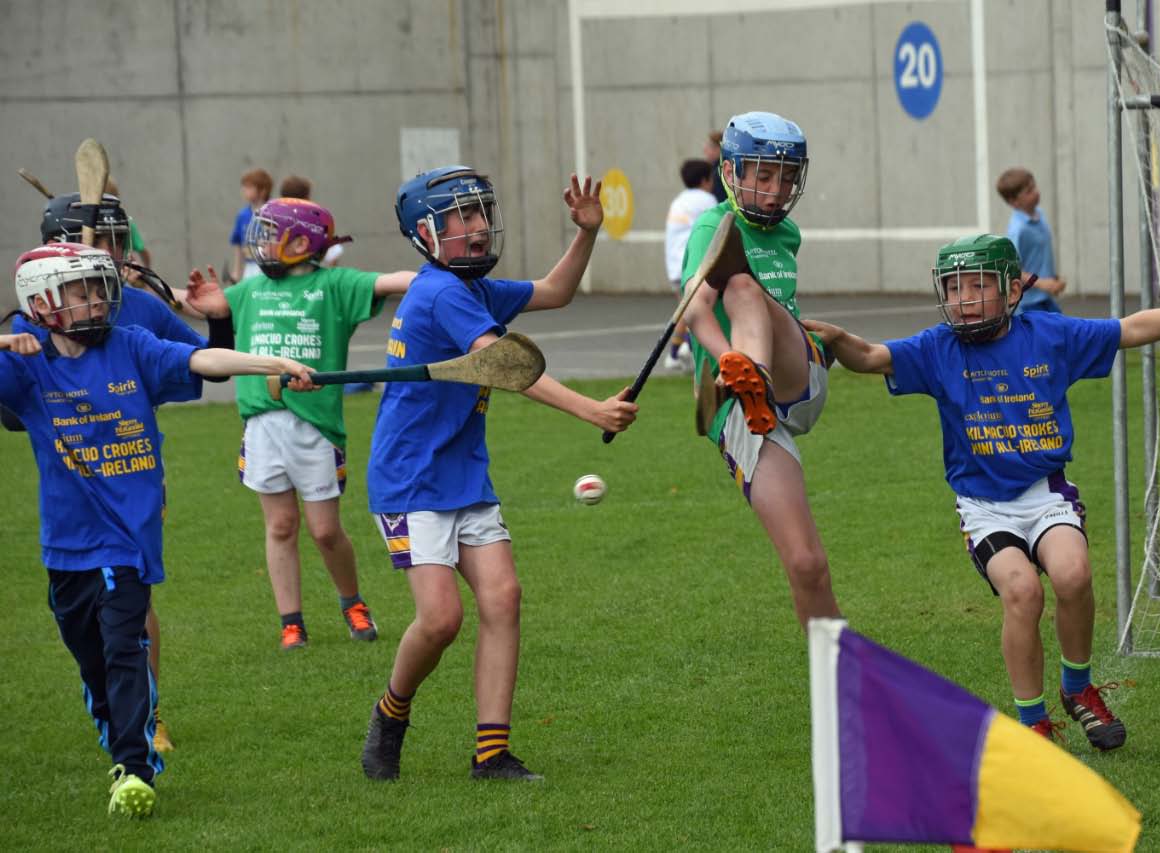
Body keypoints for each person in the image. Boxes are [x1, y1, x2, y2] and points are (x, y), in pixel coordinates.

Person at [803, 233, 1160, 748]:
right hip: (984, 508)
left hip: (1045, 493)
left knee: (1074, 574)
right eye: (954, 288)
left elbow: (1132, 327)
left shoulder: (1049, 335)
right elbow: (868, 356)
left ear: (1013, 291)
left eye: (979, 286)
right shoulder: (938, 348)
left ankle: (1078, 689)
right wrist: (838, 337)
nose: (964, 299)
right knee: (1022, 592)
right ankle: (1033, 726)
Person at [0, 242, 314, 817]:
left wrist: (271, 363)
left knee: (125, 650)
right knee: (92, 661)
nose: (98, 300)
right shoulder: (24, 366)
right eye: (81, 291)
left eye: (100, 288)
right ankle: (113, 723)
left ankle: (133, 767)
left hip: (125, 542)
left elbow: (202, 362)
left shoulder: (131, 346)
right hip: (65, 548)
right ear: (40, 301)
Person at [358, 166, 637, 783]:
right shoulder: (441, 294)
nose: (479, 227)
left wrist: (586, 234)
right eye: (462, 217)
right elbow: (507, 363)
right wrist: (592, 409)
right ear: (427, 235)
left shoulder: (474, 289)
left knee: (503, 598)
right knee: (440, 621)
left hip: (464, 473)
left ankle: (491, 754)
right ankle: (390, 713)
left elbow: (555, 291)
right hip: (410, 481)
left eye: (481, 212)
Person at [6, 191, 235, 754]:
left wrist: (218, 319)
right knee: (100, 613)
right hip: (73, 482)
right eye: (101, 241)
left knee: (130, 597)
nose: (113, 252)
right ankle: (121, 704)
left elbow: (207, 362)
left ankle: (145, 717)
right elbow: (15, 415)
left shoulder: (138, 307)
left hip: (133, 470)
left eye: (118, 240)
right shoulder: (34, 317)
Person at [185, 198, 415, 650]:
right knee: (281, 526)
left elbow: (397, 281)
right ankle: (291, 621)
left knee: (325, 531)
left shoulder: (336, 285)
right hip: (262, 427)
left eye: (271, 233)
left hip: (316, 429)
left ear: (299, 241)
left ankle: (352, 601)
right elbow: (199, 304)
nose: (261, 242)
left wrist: (436, 279)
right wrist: (158, 289)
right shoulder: (249, 290)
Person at [681, 111, 843, 632]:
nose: (777, 191)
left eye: (787, 177)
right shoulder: (712, 224)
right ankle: (842, 686)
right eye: (764, 176)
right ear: (731, 172)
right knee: (806, 564)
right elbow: (694, 309)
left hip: (795, 378)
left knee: (746, 287)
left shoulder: (787, 232)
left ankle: (751, 374)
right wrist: (727, 358)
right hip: (744, 412)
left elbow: (778, 309)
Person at [662, 159, 718, 371]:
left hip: (674, 267)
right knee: (698, 311)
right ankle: (687, 347)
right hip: (693, 266)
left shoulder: (678, 201)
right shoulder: (707, 200)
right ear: (705, 180)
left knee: (685, 311)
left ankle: (675, 355)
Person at [996, 167, 1066, 314]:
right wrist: (1042, 283)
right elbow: (1011, 268)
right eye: (1029, 191)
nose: (1036, 192)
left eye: (1034, 186)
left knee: (1062, 331)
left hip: (1045, 298)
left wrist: (1052, 278)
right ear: (1014, 201)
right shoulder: (1018, 230)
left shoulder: (1039, 214)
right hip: (1028, 303)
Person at [230, 168, 272, 283]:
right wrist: (236, 271)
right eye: (244, 187)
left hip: (268, 268)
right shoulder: (242, 215)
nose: (244, 190)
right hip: (249, 267)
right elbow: (238, 244)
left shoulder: (274, 212)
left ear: (263, 190)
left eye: (249, 187)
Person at [104, 177, 152, 269]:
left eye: (117, 242)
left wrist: (147, 272)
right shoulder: (124, 221)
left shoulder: (125, 222)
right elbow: (143, 251)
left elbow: (143, 251)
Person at [703, 130, 728, 203]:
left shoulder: (719, 172)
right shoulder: (719, 169)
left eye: (708, 147)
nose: (704, 151)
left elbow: (720, 200)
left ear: (718, 149)